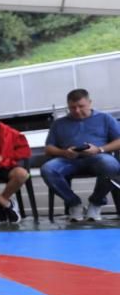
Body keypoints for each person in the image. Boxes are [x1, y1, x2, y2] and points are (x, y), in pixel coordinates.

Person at [41, 88, 120, 221]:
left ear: (89, 103)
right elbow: (48, 148)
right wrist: (64, 152)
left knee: (111, 165)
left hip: (98, 157)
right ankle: (73, 203)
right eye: (72, 108)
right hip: (68, 159)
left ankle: (96, 202)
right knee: (48, 169)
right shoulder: (59, 123)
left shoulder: (105, 118)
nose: (77, 111)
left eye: (81, 106)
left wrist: (99, 149)